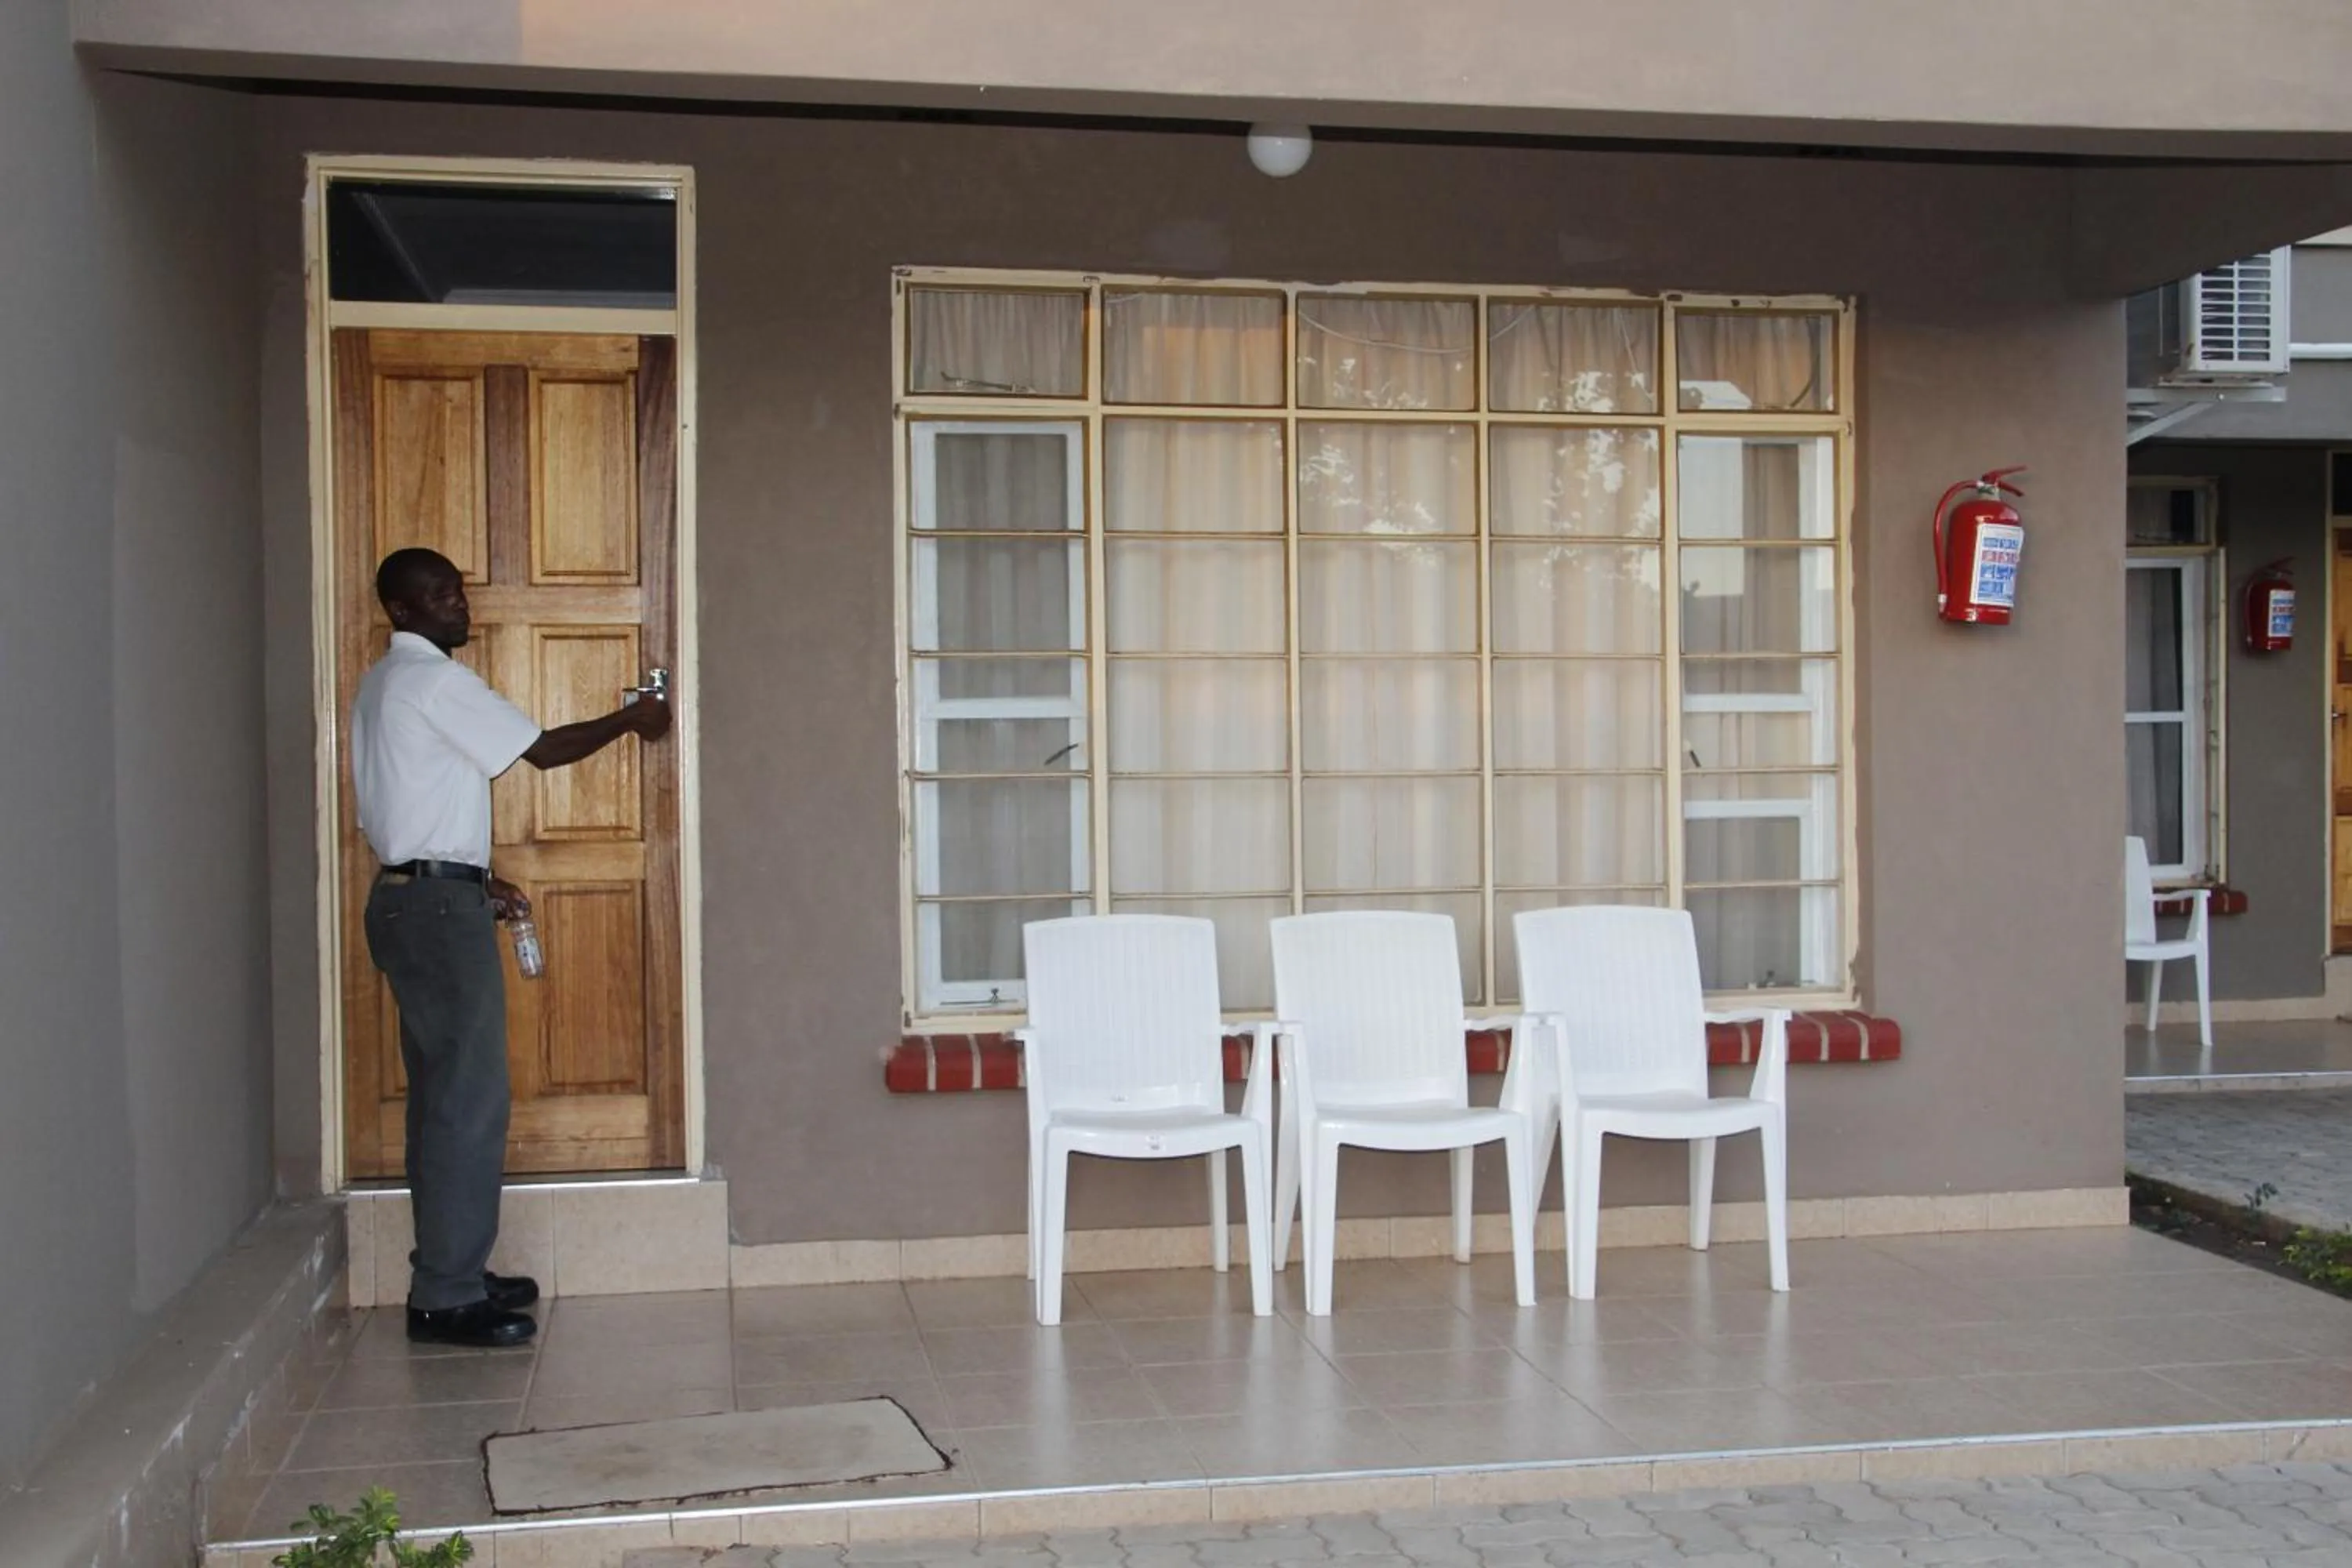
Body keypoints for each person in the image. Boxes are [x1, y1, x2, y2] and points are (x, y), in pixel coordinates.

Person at [351, 546, 673, 1347]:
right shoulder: (431, 679)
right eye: (441, 596)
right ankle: (448, 1293)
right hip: (432, 912)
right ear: (403, 610)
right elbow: (541, 749)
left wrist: (475, 882)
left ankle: (451, 1266)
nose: (461, 606)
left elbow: (412, 801)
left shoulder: (381, 683)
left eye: (458, 592)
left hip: (410, 896)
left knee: (439, 1099)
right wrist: (635, 718)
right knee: (467, 1100)